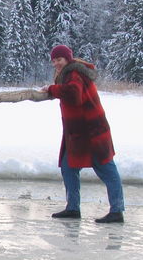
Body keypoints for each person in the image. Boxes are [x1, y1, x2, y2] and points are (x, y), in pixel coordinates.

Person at [41, 45, 125, 224]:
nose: (56, 63)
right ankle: (73, 208)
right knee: (68, 167)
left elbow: (74, 94)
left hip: (91, 131)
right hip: (77, 132)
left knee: (106, 168)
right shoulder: (69, 73)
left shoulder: (74, 73)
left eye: (59, 59)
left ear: (67, 59)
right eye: (54, 60)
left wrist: (52, 89)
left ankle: (117, 211)